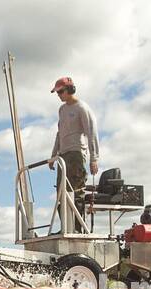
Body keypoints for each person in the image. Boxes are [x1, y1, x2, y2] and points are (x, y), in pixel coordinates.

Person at [46, 76, 100, 211]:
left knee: (75, 192)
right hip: (62, 155)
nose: (58, 95)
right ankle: (66, 225)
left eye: (60, 92)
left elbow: (91, 133)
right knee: (61, 192)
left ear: (70, 90)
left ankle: (77, 227)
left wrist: (94, 159)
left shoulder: (82, 108)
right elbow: (59, 134)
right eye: (57, 93)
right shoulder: (62, 110)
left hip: (76, 154)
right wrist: (53, 156)